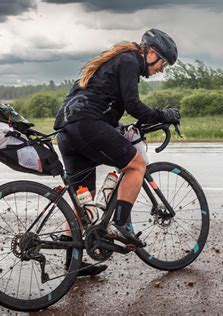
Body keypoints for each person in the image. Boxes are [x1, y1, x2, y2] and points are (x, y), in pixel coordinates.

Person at [53, 29, 180, 276]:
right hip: (87, 124)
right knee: (136, 165)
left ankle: (74, 262)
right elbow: (133, 104)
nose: (161, 70)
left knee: (84, 200)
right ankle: (121, 224)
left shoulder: (114, 60)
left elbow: (98, 101)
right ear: (151, 53)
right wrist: (163, 115)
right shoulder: (130, 61)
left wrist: (116, 128)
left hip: (68, 130)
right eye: (163, 63)